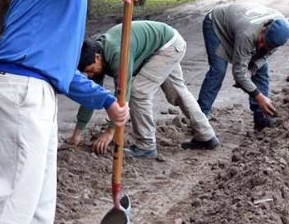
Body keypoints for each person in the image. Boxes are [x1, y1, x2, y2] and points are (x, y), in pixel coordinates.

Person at [0, 0, 140, 224]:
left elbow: (63, 71)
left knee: (40, 203)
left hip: (34, 89)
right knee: (16, 200)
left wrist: (106, 101)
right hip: (21, 85)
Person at [68, 21, 219, 159]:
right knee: (177, 92)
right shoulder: (97, 54)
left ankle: (146, 146)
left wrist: (110, 132)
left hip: (167, 47)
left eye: (90, 70)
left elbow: (123, 95)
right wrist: (77, 133)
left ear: (97, 57)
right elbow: (91, 96)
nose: (90, 74)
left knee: (138, 92)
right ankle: (206, 135)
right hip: (166, 44)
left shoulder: (117, 54)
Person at [197, 3, 289, 131]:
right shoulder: (247, 34)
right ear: (265, 28)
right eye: (262, 41)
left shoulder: (280, 35)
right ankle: (199, 120)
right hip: (216, 25)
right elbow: (239, 73)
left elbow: (264, 57)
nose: (261, 46)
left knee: (261, 69)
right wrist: (259, 96)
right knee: (218, 70)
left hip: (237, 27)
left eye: (267, 46)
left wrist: (252, 70)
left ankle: (261, 120)